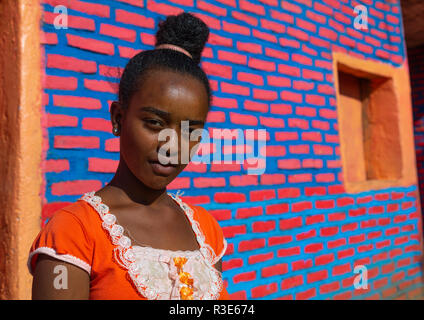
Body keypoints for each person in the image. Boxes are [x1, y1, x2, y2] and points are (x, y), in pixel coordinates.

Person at [28, 12, 230, 300]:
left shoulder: (206, 231)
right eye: (155, 123)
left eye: (189, 130)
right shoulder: (75, 232)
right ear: (118, 118)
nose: (172, 145)